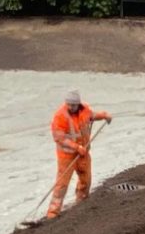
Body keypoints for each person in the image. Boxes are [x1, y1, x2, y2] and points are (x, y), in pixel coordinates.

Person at [47, 89, 112, 219]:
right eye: (69, 104)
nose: (71, 107)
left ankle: (81, 203)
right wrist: (76, 147)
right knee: (62, 184)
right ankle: (52, 213)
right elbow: (59, 137)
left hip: (83, 153)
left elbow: (91, 116)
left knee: (86, 179)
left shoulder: (84, 110)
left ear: (78, 104)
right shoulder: (60, 116)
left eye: (73, 105)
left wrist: (104, 115)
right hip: (66, 156)